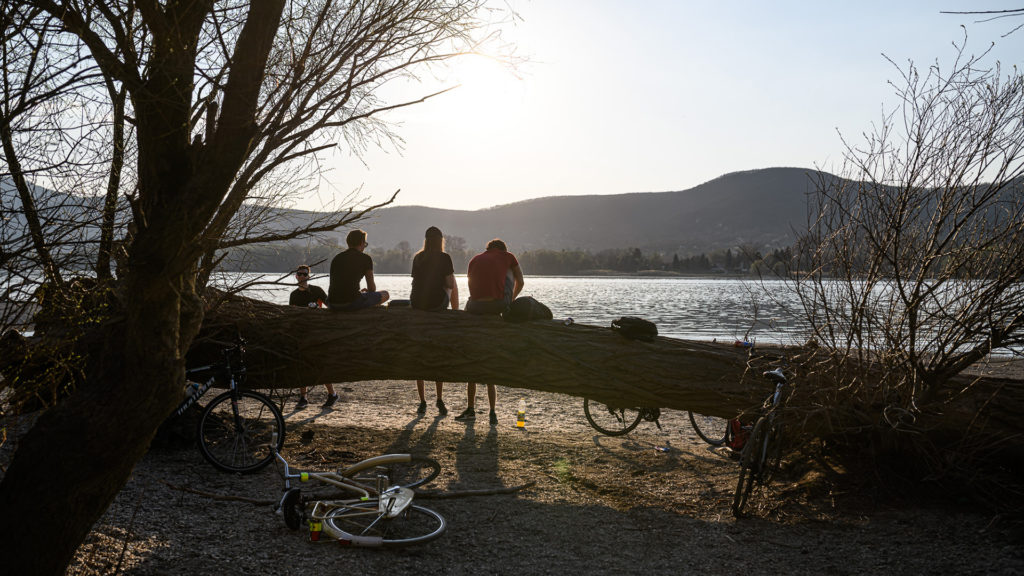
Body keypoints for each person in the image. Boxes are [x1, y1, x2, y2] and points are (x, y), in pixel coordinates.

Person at [455, 238, 524, 425]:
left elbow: (471, 285)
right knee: (489, 364)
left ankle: (470, 409)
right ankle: (493, 412)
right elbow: (521, 280)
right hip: (498, 305)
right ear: (503, 249)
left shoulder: (475, 259)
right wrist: (510, 301)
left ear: (488, 249)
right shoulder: (508, 257)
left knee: (473, 362)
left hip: (474, 306)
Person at [409, 226, 459, 417]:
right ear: (440, 241)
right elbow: (448, 284)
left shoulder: (418, 257)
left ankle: (422, 401)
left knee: (419, 354)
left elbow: (416, 282)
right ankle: (439, 398)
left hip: (416, 304)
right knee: (451, 285)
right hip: (436, 306)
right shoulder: (444, 257)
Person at [288, 265, 338, 409]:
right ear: (296, 276)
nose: (302, 277)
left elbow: (331, 307)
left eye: (304, 274)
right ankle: (303, 398)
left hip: (317, 332)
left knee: (319, 365)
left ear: (309, 276)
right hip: (302, 333)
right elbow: (291, 314)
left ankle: (332, 394)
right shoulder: (294, 295)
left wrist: (317, 309)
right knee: (301, 365)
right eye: (299, 274)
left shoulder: (317, 291)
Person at [328, 229, 390, 310]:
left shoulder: (337, 258)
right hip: (350, 303)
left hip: (332, 303)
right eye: (365, 244)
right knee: (385, 294)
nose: (364, 246)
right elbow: (371, 288)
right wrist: (366, 293)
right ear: (361, 242)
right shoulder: (366, 258)